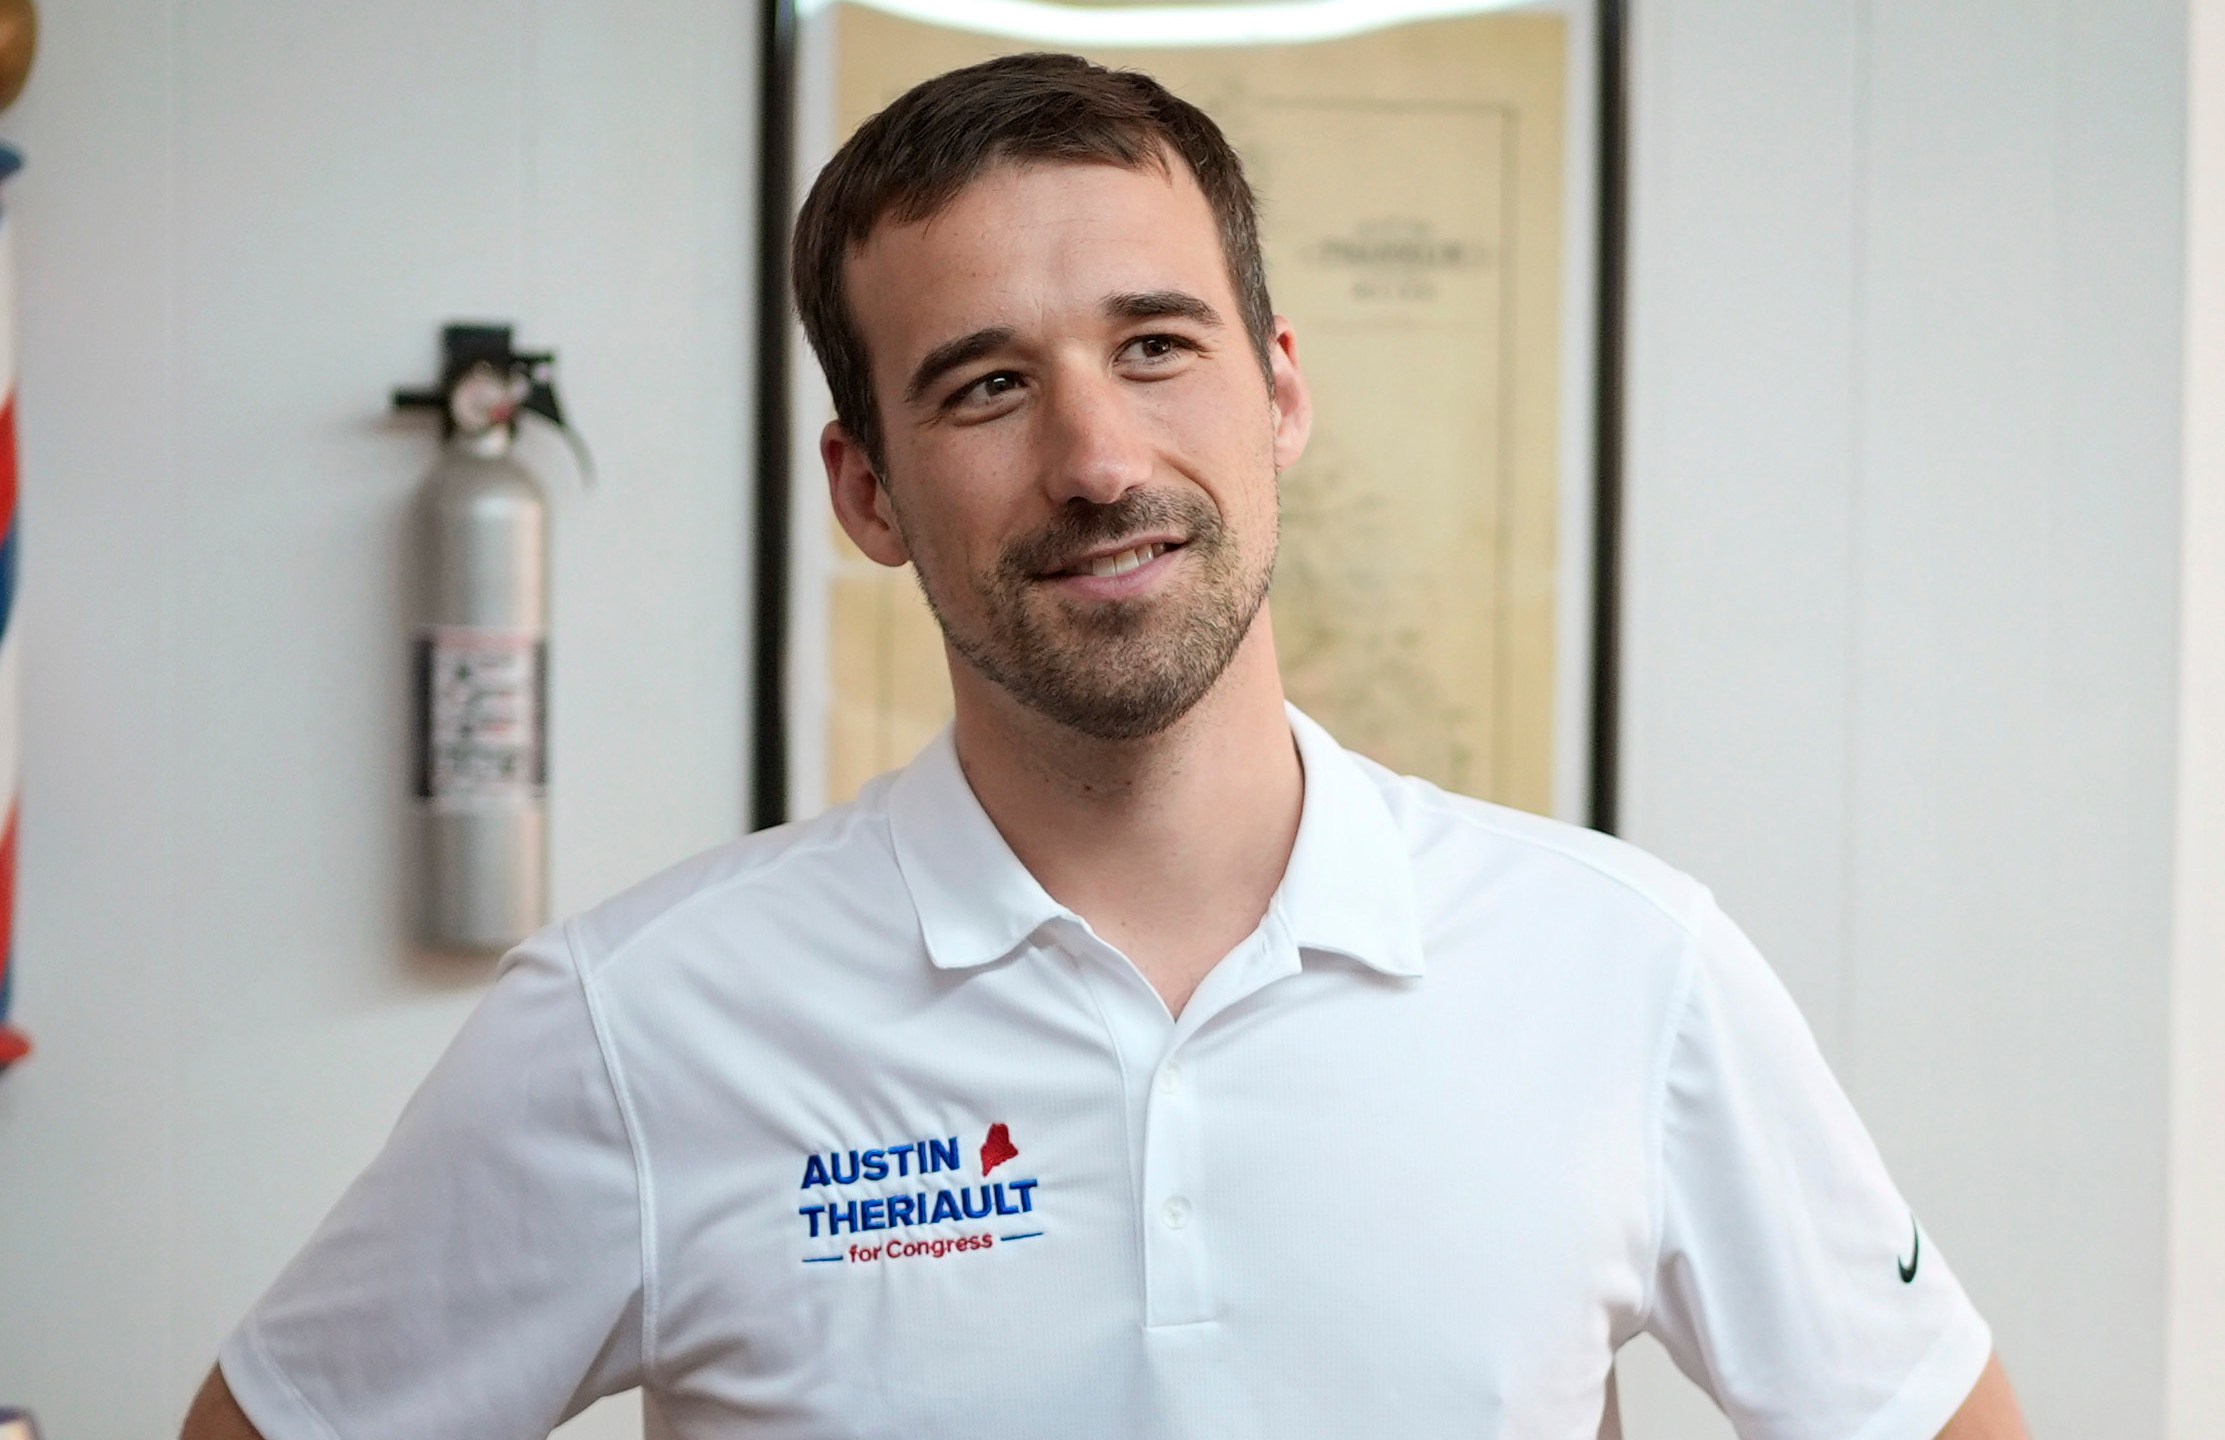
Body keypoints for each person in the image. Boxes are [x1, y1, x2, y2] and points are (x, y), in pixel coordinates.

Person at [185, 52, 2029, 1440]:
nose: (1094, 460)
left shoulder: (1631, 970)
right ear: (868, 489)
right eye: (984, 385)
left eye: (1155, 345)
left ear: (1278, 390)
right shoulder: (632, 1024)